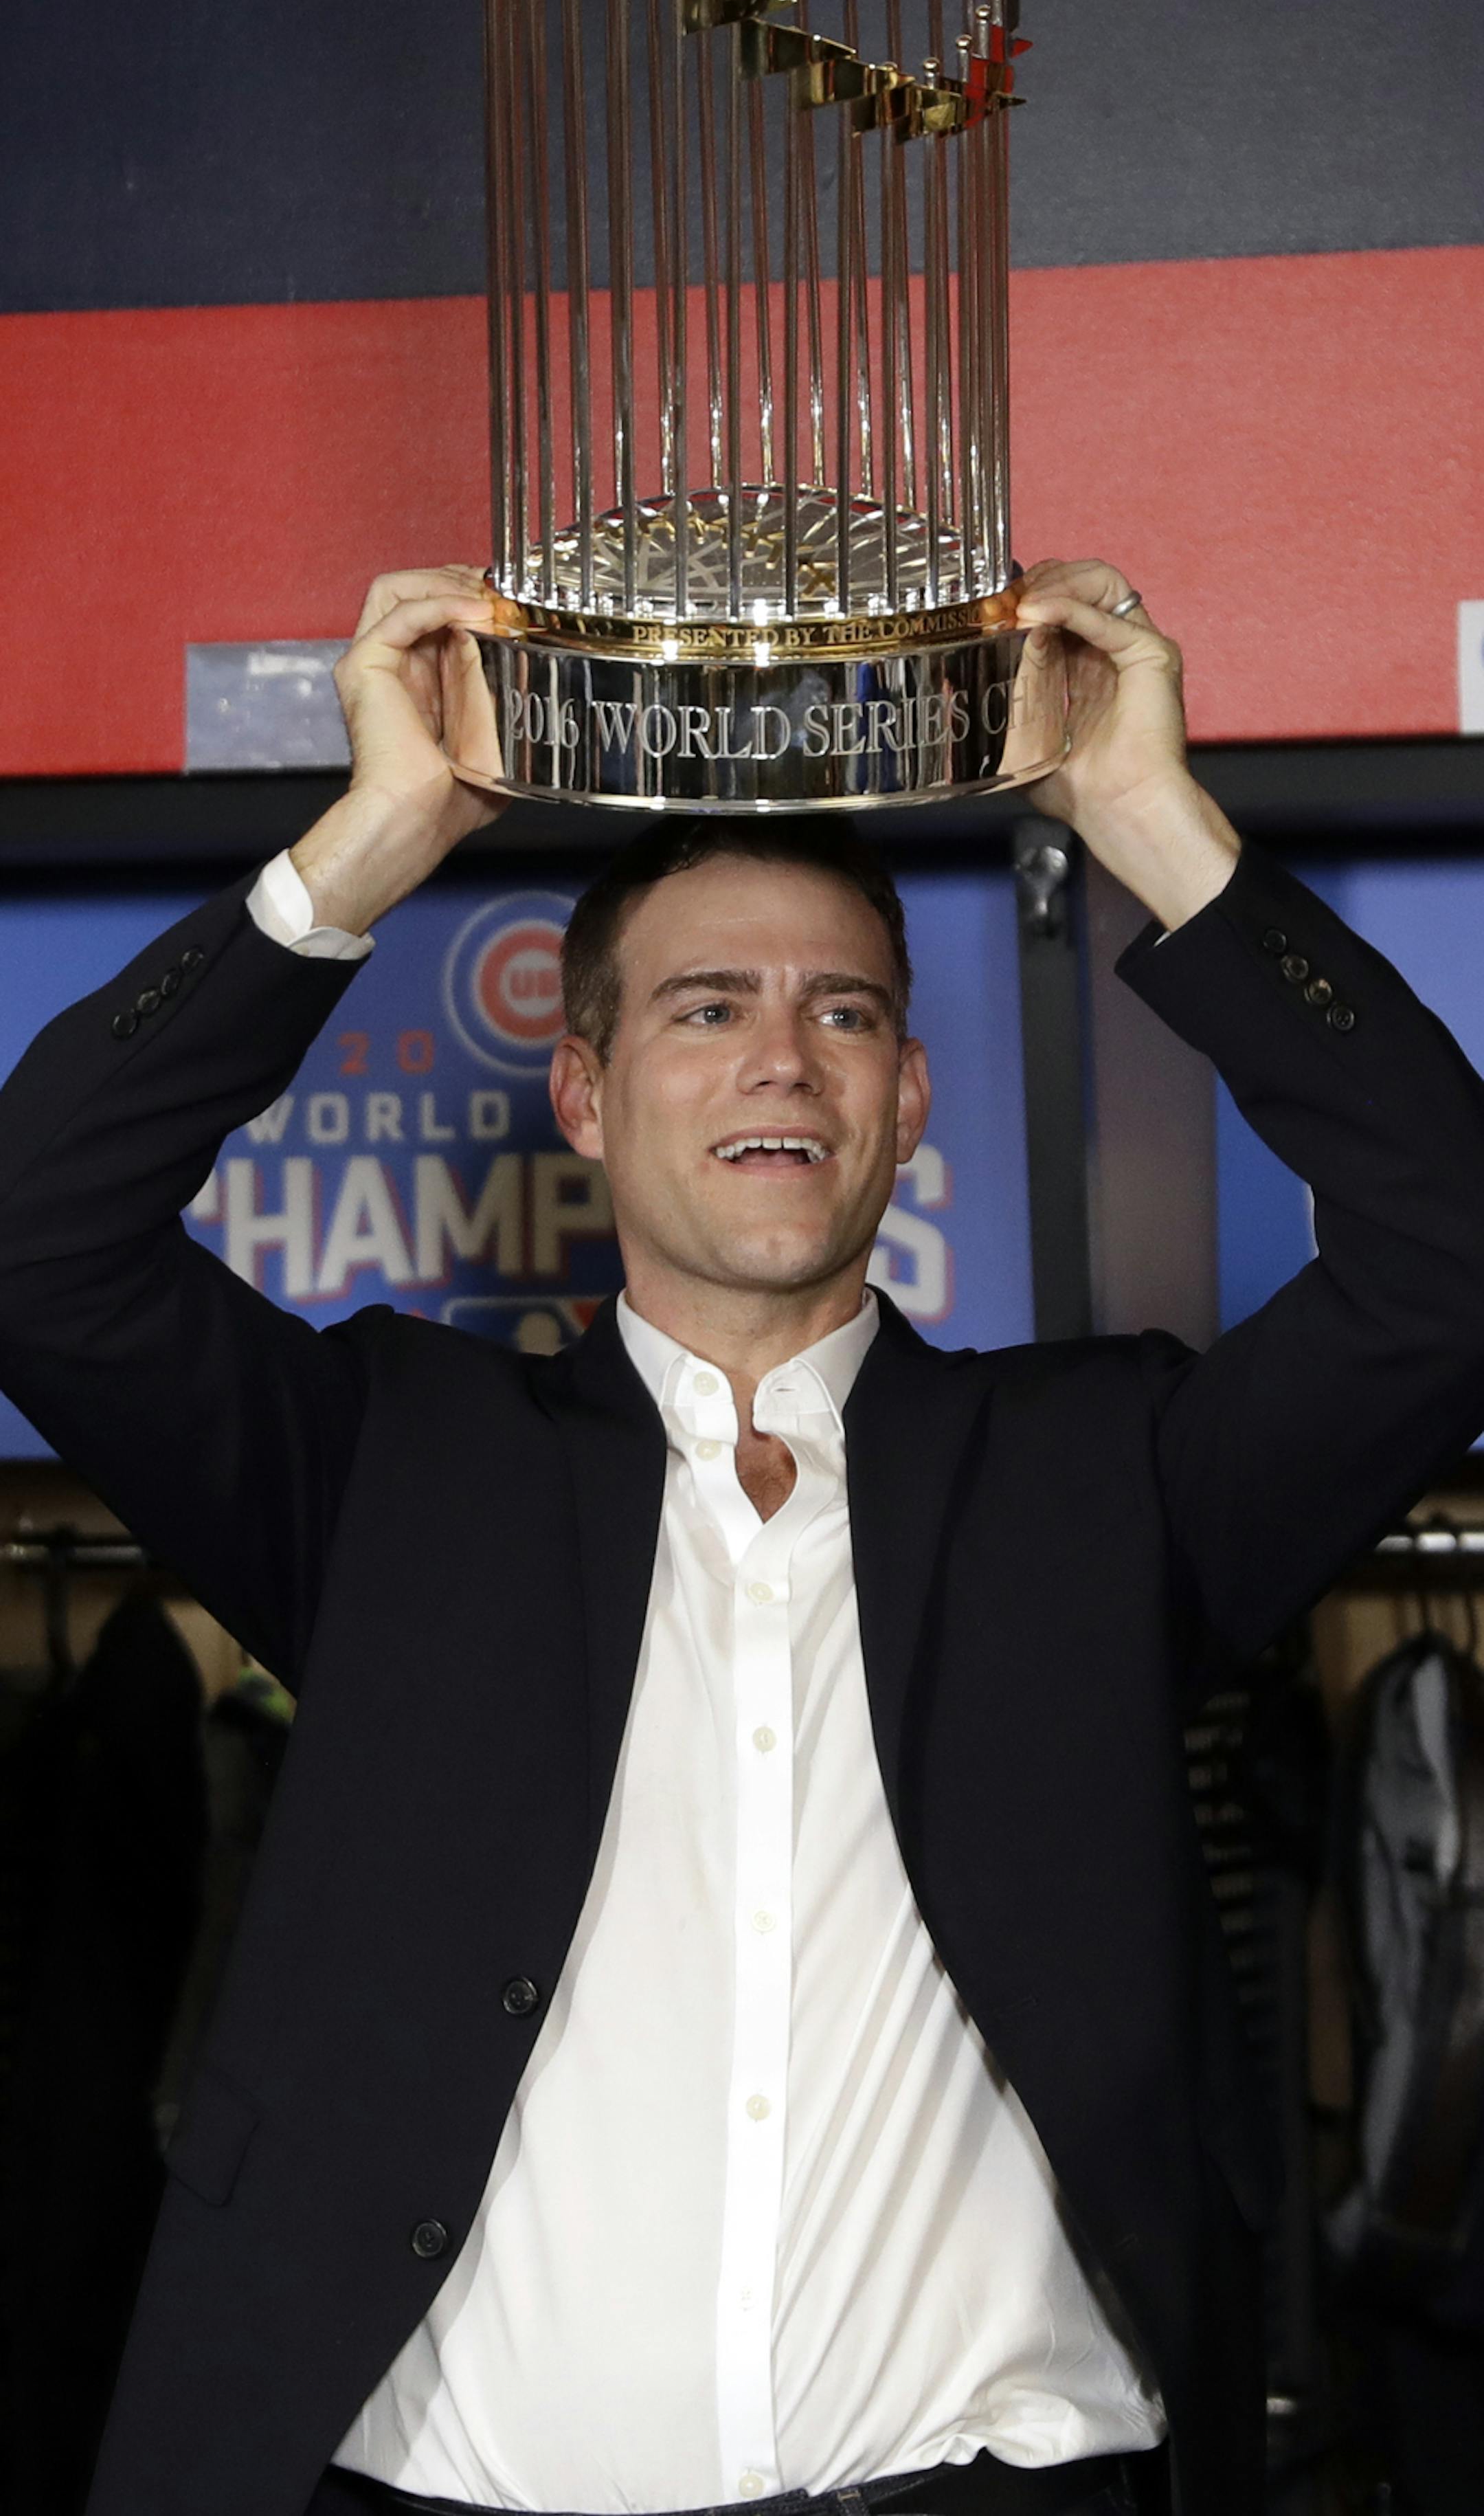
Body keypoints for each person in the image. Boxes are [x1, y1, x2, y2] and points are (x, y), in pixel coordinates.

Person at [2, 557, 1483, 2516]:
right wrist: (381, 835)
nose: (783, 1057)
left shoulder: (1103, 1481)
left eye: (841, 1013)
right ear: (585, 1094)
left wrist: (1142, 816)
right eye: (708, 1009)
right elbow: (38, 1240)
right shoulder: (392, 1474)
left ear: (906, 1098)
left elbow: (1451, 1262)